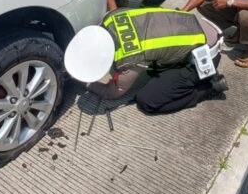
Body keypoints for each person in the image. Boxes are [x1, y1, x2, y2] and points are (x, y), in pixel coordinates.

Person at [64, 7, 228, 114]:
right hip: (195, 23)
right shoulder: (111, 16)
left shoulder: (128, 61)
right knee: (151, 66)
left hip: (204, 54)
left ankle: (208, 88)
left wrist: (84, 82)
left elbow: (112, 93)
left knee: (148, 102)